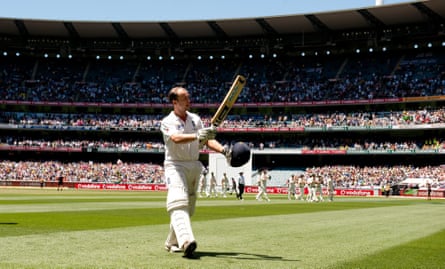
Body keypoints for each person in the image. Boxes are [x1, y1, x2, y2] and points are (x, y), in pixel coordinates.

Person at [160, 86, 228, 258]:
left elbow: (207, 140)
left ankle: (171, 242)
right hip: (175, 165)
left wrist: (224, 150)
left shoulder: (195, 119)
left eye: (189, 97)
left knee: (189, 207)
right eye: (185, 98)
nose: (189, 100)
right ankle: (186, 241)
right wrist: (198, 135)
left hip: (194, 165)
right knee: (178, 200)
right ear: (175, 102)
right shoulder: (167, 121)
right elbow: (176, 138)